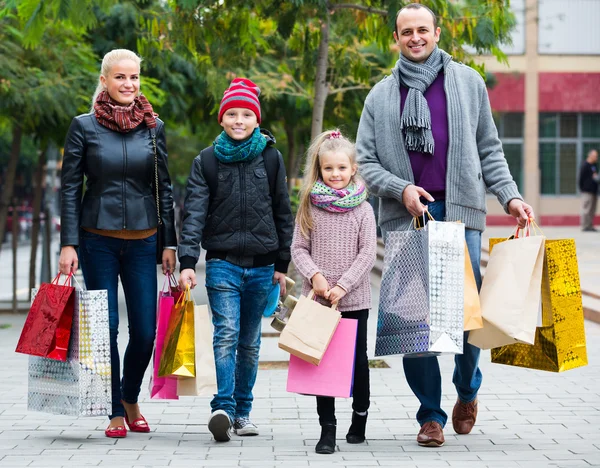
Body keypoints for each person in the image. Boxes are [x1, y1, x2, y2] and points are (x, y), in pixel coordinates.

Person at [355, 3, 535, 447]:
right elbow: (365, 161)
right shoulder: (380, 95)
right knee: (414, 325)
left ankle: (468, 389)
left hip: (462, 218)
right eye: (405, 32)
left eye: (422, 29)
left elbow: (489, 149)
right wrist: (402, 190)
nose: (415, 37)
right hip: (406, 220)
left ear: (437, 32)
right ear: (395, 38)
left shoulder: (468, 82)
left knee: (468, 323)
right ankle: (430, 416)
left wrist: (509, 196)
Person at [58, 49, 177, 438]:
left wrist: (169, 243)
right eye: (121, 77)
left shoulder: (153, 126)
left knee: (145, 331)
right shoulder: (84, 127)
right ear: (105, 80)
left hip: (144, 242)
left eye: (135, 77)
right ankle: (113, 410)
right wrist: (68, 243)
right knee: (105, 327)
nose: (129, 84)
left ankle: (130, 396)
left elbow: (165, 188)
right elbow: (71, 188)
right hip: (97, 242)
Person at [177, 78, 294, 442]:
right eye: (232, 113)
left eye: (246, 114)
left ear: (256, 119)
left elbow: (283, 212)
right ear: (222, 118)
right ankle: (223, 408)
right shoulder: (207, 162)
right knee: (225, 333)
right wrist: (186, 261)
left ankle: (243, 412)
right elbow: (193, 214)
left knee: (250, 341)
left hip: (262, 265)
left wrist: (281, 265)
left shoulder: (271, 158)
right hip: (222, 263)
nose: (239, 120)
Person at [291, 129, 377, 454]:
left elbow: (367, 253)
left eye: (342, 168)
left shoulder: (364, 211)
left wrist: (343, 285)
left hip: (353, 300)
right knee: (322, 363)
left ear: (353, 169)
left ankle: (360, 415)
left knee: (356, 362)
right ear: (320, 168)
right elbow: (298, 248)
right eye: (329, 169)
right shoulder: (310, 207)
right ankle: (327, 429)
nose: (335, 174)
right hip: (319, 300)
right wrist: (315, 277)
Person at [579, 148, 599, 232]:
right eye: (595, 156)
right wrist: (582, 189)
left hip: (594, 191)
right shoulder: (585, 165)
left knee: (592, 209)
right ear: (590, 155)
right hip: (586, 191)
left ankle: (590, 225)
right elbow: (580, 179)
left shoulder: (594, 166)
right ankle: (584, 226)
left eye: (597, 156)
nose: (596, 158)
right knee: (586, 209)